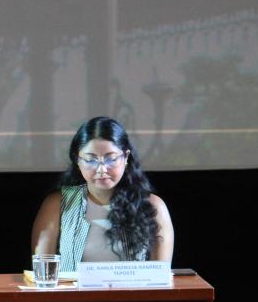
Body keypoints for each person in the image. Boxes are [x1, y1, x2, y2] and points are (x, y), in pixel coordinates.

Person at [31, 116, 174, 271]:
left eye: (111, 159)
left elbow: (160, 278)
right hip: (72, 295)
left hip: (133, 295)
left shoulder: (152, 206)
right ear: (77, 160)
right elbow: (42, 274)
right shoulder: (58, 204)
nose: (102, 169)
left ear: (126, 157)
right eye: (91, 160)